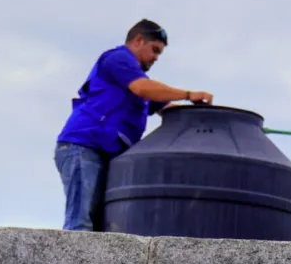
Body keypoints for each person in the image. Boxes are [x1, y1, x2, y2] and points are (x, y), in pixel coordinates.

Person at [54, 18, 214, 231]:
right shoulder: (118, 59)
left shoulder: (137, 82)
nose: (156, 58)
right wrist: (188, 94)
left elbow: (167, 108)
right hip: (84, 147)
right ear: (138, 41)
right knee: (81, 222)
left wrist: (207, 118)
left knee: (101, 226)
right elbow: (142, 88)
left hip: (108, 153)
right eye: (154, 50)